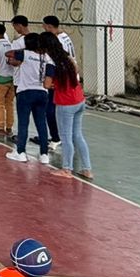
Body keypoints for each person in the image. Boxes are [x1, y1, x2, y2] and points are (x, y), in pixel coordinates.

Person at [42, 34, 92, 181]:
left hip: (65, 102)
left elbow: (46, 84)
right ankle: (87, 169)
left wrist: (54, 84)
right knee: (78, 135)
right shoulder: (68, 58)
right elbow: (76, 73)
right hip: (78, 99)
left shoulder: (51, 63)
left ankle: (67, 169)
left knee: (65, 137)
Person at [6, 28, 50, 163]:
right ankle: (44, 154)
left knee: (23, 123)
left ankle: (21, 152)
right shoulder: (46, 57)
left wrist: (20, 52)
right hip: (42, 92)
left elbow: (8, 53)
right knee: (41, 123)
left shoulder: (24, 54)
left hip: (25, 91)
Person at [41, 15, 76, 153]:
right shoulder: (65, 36)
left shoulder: (57, 41)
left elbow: (60, 61)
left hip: (61, 78)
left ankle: (56, 137)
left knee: (51, 109)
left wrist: (51, 79)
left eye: (44, 26)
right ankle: (63, 137)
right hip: (68, 77)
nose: (43, 28)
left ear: (49, 26)